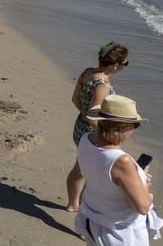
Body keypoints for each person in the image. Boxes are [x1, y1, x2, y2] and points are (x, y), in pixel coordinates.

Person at [75, 95, 163, 244]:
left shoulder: (85, 139)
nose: (134, 130)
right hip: (119, 233)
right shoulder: (122, 161)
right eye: (135, 125)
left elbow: (100, 174)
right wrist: (144, 182)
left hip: (93, 219)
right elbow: (142, 207)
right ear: (123, 127)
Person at [66, 42, 129, 212]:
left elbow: (75, 99)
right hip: (92, 134)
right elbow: (93, 113)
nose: (124, 67)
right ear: (116, 65)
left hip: (79, 126)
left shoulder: (87, 72)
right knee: (89, 174)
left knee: (80, 167)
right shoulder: (103, 85)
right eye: (125, 64)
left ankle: (73, 203)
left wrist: (84, 114)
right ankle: (82, 207)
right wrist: (105, 133)